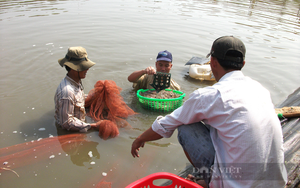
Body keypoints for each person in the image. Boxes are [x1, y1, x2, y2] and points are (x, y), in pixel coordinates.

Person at [131, 36, 287, 188]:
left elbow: (167, 124)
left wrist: (139, 138)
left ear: (212, 62)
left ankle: (212, 181)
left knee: (186, 126)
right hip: (276, 182)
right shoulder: (261, 89)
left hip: (236, 184)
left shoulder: (210, 95)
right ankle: (211, 179)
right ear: (243, 63)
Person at [54, 46, 98, 132]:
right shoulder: (67, 92)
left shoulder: (75, 82)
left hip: (79, 124)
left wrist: (95, 97)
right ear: (74, 69)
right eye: (84, 67)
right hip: (70, 133)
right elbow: (66, 123)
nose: (88, 69)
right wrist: (94, 126)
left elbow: (77, 99)